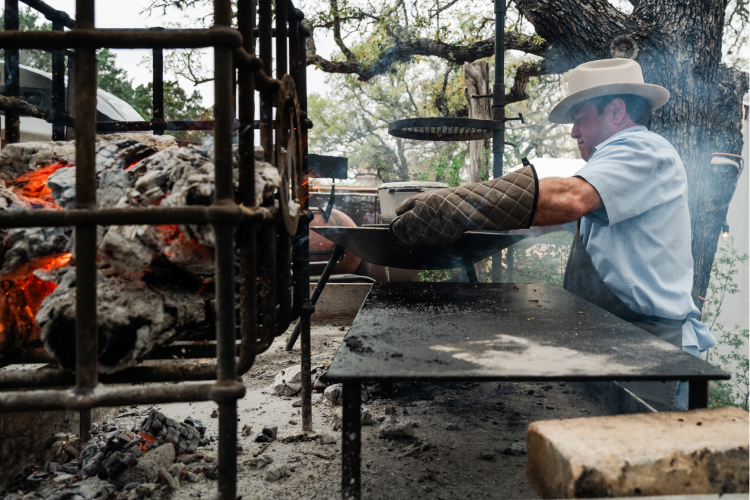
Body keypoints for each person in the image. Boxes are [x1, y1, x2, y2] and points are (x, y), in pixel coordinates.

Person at [391, 58, 715, 410]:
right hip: (615, 341)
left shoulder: (644, 151)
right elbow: (535, 219)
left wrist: (458, 203)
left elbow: (569, 199)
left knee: (648, 460)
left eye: (580, 117)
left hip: (651, 349)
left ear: (617, 110)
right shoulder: (609, 168)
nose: (574, 131)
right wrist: (465, 228)